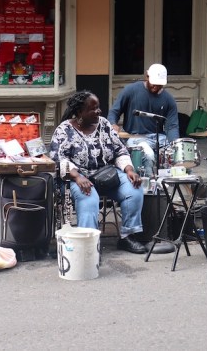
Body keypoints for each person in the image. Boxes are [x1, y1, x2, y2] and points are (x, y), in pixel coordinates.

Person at [50, 90, 146, 254]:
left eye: (98, 107)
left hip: (106, 175)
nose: (98, 111)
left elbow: (120, 150)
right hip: (78, 177)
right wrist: (77, 176)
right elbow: (58, 158)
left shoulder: (104, 124)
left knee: (134, 190)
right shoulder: (64, 130)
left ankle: (128, 237)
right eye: (93, 109)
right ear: (80, 112)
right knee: (89, 197)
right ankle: (89, 245)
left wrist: (129, 170)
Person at [107, 63, 180, 177]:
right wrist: (113, 124)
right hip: (136, 138)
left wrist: (175, 145)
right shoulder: (131, 90)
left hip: (158, 137)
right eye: (153, 83)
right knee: (148, 154)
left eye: (159, 85)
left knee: (177, 157)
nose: (155, 87)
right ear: (147, 76)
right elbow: (114, 112)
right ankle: (150, 182)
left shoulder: (168, 99)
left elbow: (172, 126)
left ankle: (171, 183)